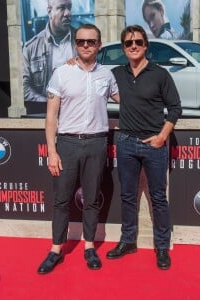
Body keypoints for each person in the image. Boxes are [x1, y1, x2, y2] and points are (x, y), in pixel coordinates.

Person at [37, 23, 119, 274]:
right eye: (81, 41)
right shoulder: (61, 73)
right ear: (75, 44)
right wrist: (52, 150)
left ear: (99, 45)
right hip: (68, 143)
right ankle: (56, 249)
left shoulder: (107, 75)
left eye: (91, 41)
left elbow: (128, 100)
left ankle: (89, 246)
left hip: (96, 142)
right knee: (61, 200)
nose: (85, 45)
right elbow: (51, 117)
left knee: (92, 199)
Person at [106, 25, 182, 270]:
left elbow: (175, 108)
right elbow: (91, 78)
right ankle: (128, 241)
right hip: (126, 142)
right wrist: (74, 62)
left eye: (138, 41)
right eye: (128, 43)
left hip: (154, 144)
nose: (134, 46)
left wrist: (162, 137)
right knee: (127, 196)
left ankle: (162, 247)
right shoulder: (116, 73)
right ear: (123, 48)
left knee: (158, 198)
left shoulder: (160, 74)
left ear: (146, 45)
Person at [22, 0, 77, 115]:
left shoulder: (83, 43)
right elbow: (24, 86)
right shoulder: (31, 48)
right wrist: (49, 102)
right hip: (44, 114)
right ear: (49, 12)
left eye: (69, 8)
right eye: (61, 8)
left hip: (77, 114)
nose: (67, 13)